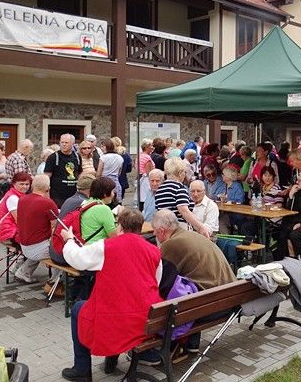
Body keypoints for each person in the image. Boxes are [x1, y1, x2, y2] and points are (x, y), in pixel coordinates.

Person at [60, 208, 163, 381]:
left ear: (119, 226)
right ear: (139, 228)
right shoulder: (153, 250)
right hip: (146, 317)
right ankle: (110, 360)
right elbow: (155, 282)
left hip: (118, 318)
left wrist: (69, 240)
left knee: (78, 308)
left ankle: (81, 368)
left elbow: (77, 258)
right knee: (113, 304)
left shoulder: (106, 246)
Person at [149, 209, 236, 359]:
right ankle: (191, 345)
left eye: (155, 231)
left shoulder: (171, 244)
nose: (154, 235)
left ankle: (166, 350)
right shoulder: (192, 235)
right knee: (190, 293)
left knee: (167, 304)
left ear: (161, 231)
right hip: (230, 298)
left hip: (211, 306)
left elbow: (161, 280)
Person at [14, 174, 59, 284]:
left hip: (24, 245)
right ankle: (55, 282)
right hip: (38, 249)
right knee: (62, 250)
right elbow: (56, 227)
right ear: (48, 188)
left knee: (39, 243)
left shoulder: (22, 199)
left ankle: (23, 272)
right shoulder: (48, 203)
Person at [155, 157, 210, 237]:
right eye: (184, 172)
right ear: (180, 173)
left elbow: (158, 210)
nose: (185, 175)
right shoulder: (179, 188)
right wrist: (200, 227)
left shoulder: (160, 189)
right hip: (177, 229)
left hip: (162, 229)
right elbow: (184, 211)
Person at [0, 172, 32, 246]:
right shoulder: (13, 198)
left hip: (10, 229)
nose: (25, 187)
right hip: (8, 231)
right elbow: (19, 220)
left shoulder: (15, 194)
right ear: (14, 184)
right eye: (21, 184)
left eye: (27, 184)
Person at [44, 134, 80, 208]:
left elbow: (80, 173)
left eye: (66, 142)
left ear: (72, 144)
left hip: (73, 195)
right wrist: (46, 195)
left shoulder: (77, 157)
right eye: (62, 142)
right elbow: (46, 177)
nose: (63, 144)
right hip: (57, 196)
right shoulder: (53, 157)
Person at [80, 176, 118, 245]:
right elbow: (114, 236)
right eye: (112, 191)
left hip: (86, 246)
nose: (114, 194)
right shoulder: (103, 209)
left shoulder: (85, 204)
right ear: (105, 194)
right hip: (98, 247)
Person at [96, 138, 123, 204]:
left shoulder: (103, 157)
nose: (101, 148)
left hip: (104, 182)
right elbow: (119, 172)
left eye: (102, 146)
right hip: (116, 182)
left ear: (106, 147)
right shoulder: (120, 157)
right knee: (116, 203)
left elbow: (98, 173)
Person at [138, 139, 155, 212]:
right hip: (146, 180)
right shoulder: (147, 158)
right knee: (146, 197)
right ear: (146, 147)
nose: (152, 147)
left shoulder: (140, 155)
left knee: (141, 197)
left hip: (140, 178)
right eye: (151, 145)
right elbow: (149, 172)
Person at [114, 136, 132, 201]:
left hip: (113, 180)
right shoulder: (126, 154)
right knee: (120, 200)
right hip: (122, 180)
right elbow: (129, 169)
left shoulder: (113, 154)